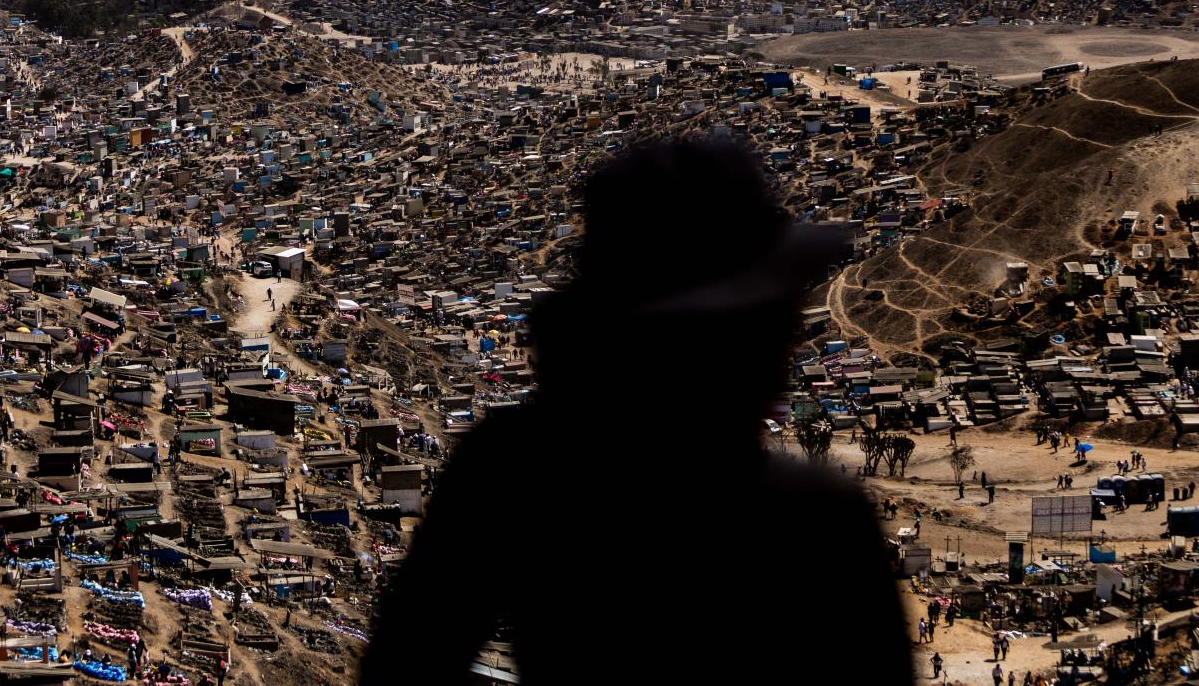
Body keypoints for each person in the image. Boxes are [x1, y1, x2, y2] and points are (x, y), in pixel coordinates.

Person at [359, 140, 903, 685]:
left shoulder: (515, 471)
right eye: (767, 319)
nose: (788, 341)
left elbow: (405, 661)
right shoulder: (812, 518)